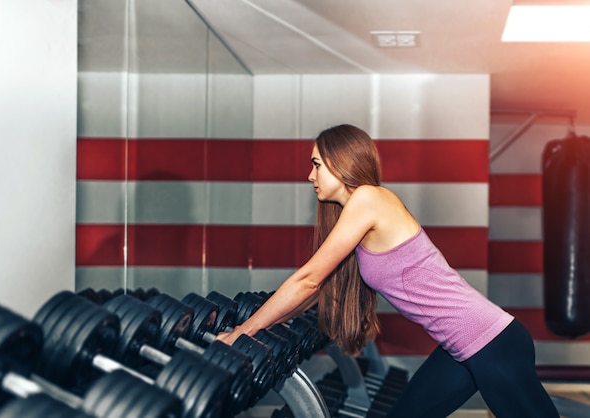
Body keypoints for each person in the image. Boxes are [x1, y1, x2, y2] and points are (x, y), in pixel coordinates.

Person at [216, 124, 559, 417]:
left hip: (492, 343)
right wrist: (261, 327)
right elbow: (312, 293)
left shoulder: (369, 199)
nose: (310, 175)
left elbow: (307, 279)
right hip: (461, 348)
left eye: (316, 164)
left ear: (339, 162)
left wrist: (243, 331)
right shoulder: (359, 213)